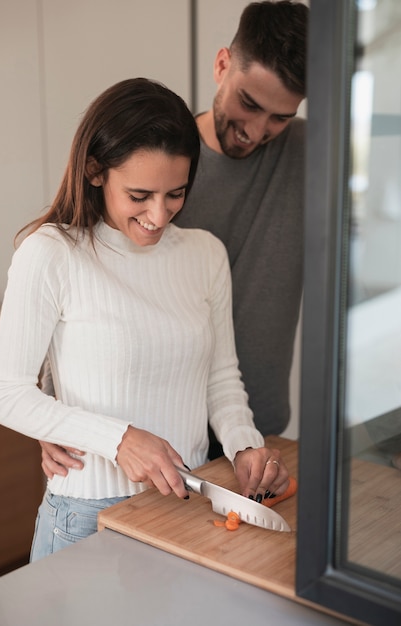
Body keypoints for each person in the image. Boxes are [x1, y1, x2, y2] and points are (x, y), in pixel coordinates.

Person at [0, 78, 290, 561]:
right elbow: (6, 394)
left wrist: (244, 447)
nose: (158, 214)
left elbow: (221, 379)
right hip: (87, 518)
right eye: (140, 194)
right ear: (95, 171)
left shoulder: (205, 255)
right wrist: (118, 439)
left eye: (176, 194)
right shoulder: (52, 253)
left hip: (186, 507)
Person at [38, 0, 308, 475]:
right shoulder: (158, 167)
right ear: (222, 64)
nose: (257, 131)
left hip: (254, 435)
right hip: (142, 443)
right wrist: (53, 418)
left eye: (280, 118)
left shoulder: (312, 153)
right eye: (249, 103)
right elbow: (67, 285)